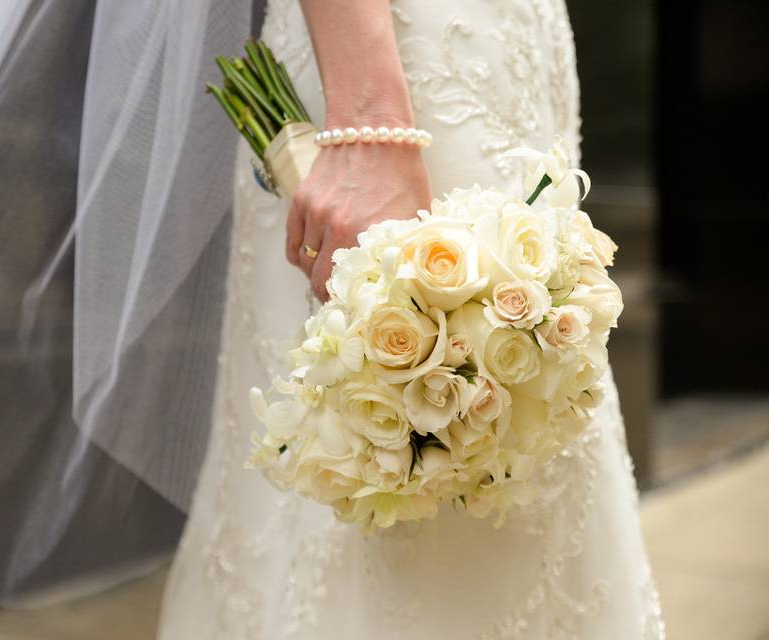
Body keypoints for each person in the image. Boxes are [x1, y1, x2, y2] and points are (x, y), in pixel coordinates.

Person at [158, 1, 665, 638]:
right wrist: (370, 127)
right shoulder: (380, 121)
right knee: (400, 453)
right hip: (399, 69)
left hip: (506, 54)